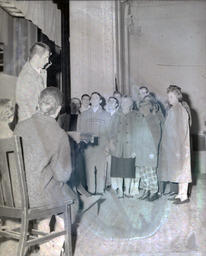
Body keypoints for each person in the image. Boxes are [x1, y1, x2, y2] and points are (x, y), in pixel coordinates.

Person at [14, 87, 99, 255]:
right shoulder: (59, 134)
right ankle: (53, 248)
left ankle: (44, 240)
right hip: (36, 199)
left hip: (15, 196)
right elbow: (63, 175)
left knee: (44, 187)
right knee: (73, 200)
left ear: (38, 103)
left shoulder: (20, 127)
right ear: (59, 109)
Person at [158, 86, 192, 204]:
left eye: (171, 96)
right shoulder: (173, 109)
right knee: (177, 171)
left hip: (180, 147)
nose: (169, 99)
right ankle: (179, 194)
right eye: (168, 96)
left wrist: (179, 148)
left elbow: (182, 131)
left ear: (178, 96)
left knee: (183, 171)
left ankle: (184, 196)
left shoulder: (180, 109)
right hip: (174, 146)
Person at [77, 92, 111, 194]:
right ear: (90, 101)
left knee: (101, 168)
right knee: (89, 169)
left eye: (97, 98)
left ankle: (100, 190)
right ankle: (91, 190)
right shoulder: (84, 115)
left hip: (102, 146)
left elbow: (109, 132)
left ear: (100, 101)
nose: (94, 100)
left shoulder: (106, 115)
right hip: (89, 146)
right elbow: (81, 130)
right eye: (92, 98)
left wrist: (107, 146)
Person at [108, 96, 137, 197]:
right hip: (118, 146)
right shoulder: (116, 115)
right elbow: (111, 131)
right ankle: (120, 190)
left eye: (126, 102)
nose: (124, 104)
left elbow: (138, 133)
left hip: (130, 147)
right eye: (123, 102)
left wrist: (135, 149)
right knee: (118, 170)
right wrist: (111, 144)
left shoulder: (135, 115)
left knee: (129, 169)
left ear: (131, 104)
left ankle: (128, 191)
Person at [133, 99, 161, 201]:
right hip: (140, 151)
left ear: (148, 108)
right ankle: (146, 190)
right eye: (140, 107)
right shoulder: (141, 119)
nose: (141, 109)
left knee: (150, 172)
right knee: (143, 172)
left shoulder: (153, 119)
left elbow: (156, 137)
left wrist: (153, 151)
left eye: (143, 107)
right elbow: (136, 136)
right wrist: (135, 149)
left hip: (149, 151)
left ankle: (154, 191)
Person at [16, 42, 51, 122]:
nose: (47, 61)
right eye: (45, 58)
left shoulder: (40, 72)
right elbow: (25, 106)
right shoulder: (26, 76)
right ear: (36, 57)